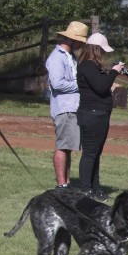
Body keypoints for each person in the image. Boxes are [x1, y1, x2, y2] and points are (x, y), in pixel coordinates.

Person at [76, 33, 125, 202]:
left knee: (95, 153)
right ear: (96, 50)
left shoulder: (92, 67)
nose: (103, 54)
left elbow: (101, 84)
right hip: (92, 115)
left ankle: (95, 187)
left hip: (98, 114)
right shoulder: (88, 66)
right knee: (90, 153)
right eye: (102, 51)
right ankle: (85, 189)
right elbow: (102, 86)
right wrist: (113, 72)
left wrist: (110, 72)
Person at [46, 21, 88, 188]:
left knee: (68, 146)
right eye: (79, 42)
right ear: (72, 40)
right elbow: (57, 84)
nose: (80, 45)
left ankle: (66, 182)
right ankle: (61, 184)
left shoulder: (71, 57)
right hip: (64, 108)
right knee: (62, 146)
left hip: (73, 107)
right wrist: (80, 84)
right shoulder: (56, 58)